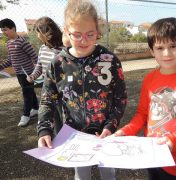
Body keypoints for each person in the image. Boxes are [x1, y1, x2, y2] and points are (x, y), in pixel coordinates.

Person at [37, 0, 127, 180]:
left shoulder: (109, 60)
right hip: (75, 137)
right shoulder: (58, 64)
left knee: (109, 174)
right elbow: (48, 99)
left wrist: (111, 125)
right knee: (81, 175)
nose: (83, 40)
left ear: (98, 31)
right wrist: (44, 129)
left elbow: (120, 97)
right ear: (66, 31)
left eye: (90, 34)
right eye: (76, 35)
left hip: (105, 134)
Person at [114, 17, 176, 180]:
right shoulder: (149, 79)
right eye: (160, 48)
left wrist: (174, 139)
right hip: (151, 155)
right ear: (152, 51)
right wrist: (125, 132)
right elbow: (142, 115)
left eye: (173, 46)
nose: (167, 53)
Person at [27, 16, 64, 134]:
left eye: (38, 32)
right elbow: (39, 65)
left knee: (66, 120)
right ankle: (60, 141)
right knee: (54, 119)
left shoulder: (64, 49)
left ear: (47, 33)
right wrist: (33, 76)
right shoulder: (42, 48)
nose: (37, 35)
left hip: (62, 91)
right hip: (48, 91)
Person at [0, 18, 39, 127]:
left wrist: (37, 71)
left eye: (5, 30)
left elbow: (35, 57)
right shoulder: (9, 43)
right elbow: (11, 59)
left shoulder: (22, 42)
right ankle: (36, 108)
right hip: (19, 73)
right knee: (30, 91)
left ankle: (25, 115)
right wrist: (1, 66)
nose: (4, 32)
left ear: (13, 28)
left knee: (26, 94)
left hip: (28, 74)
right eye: (2, 30)